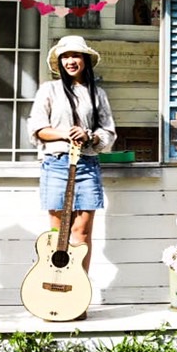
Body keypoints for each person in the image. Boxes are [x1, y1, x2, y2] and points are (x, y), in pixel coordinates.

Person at [28, 35, 117, 275]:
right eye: (65, 56)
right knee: (58, 234)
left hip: (87, 164)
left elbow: (108, 132)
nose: (70, 61)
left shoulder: (97, 94)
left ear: (85, 60)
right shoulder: (49, 90)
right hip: (56, 164)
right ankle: (55, 289)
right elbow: (36, 129)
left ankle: (78, 290)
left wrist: (89, 136)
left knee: (82, 232)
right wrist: (66, 134)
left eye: (75, 55)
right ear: (59, 63)